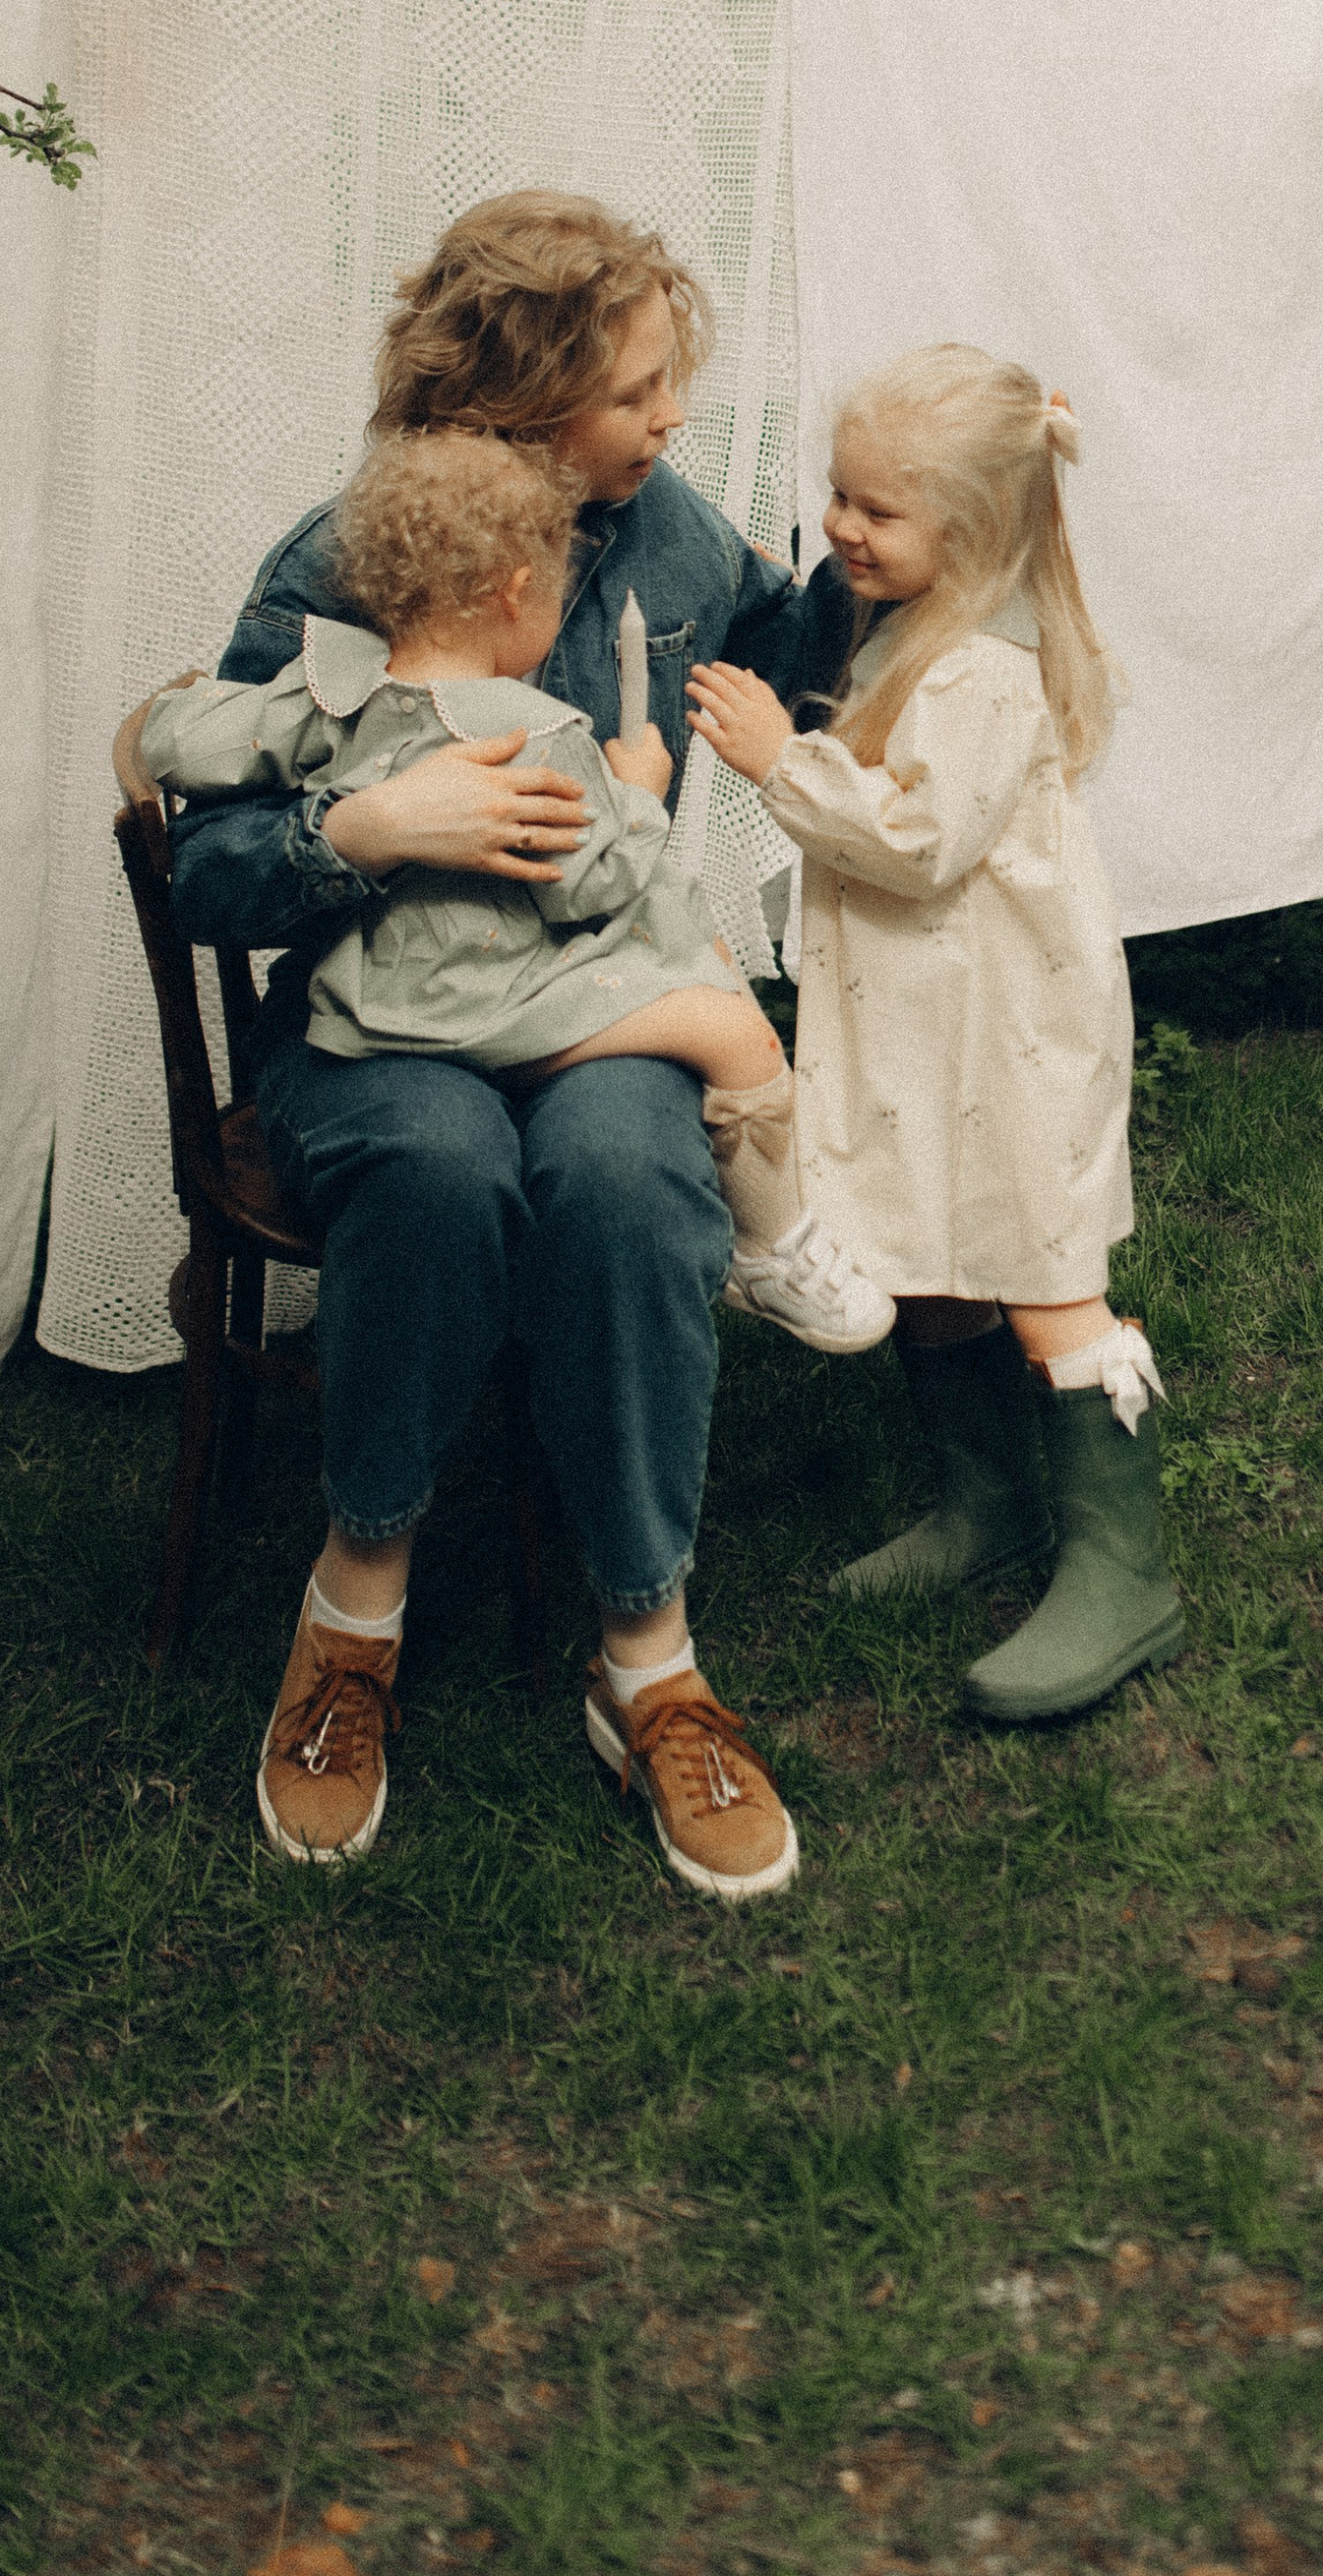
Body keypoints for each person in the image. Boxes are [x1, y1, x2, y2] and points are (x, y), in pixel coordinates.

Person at [161, 191, 853, 1893]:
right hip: (381, 1021)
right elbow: (205, 862)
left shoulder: (666, 529)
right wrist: (362, 827)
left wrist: (892, 540)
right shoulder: (351, 554)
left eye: (671, 384)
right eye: (635, 391)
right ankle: (356, 1606)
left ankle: (649, 1656)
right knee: (438, 1161)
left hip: (585, 996)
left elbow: (788, 653)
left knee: (625, 1173)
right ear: (519, 401)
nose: (673, 418)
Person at [140, 429, 890, 1355]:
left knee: (694, 972)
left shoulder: (329, 688)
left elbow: (177, 743)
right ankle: (772, 1245)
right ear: (516, 593)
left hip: (369, 997)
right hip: (482, 1007)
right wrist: (638, 795)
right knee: (732, 1027)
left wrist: (178, 718)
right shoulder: (535, 732)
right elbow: (589, 885)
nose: (666, 416)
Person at [687, 343, 1183, 1723]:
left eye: (875, 508)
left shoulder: (982, 670)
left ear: (967, 529)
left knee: (1040, 1265)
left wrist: (777, 759)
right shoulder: (913, 624)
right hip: (934, 1015)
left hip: (1009, 1028)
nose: (840, 524)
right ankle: (990, 1505)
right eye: (839, 493)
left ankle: (1125, 1569)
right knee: (938, 1244)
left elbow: (918, 840)